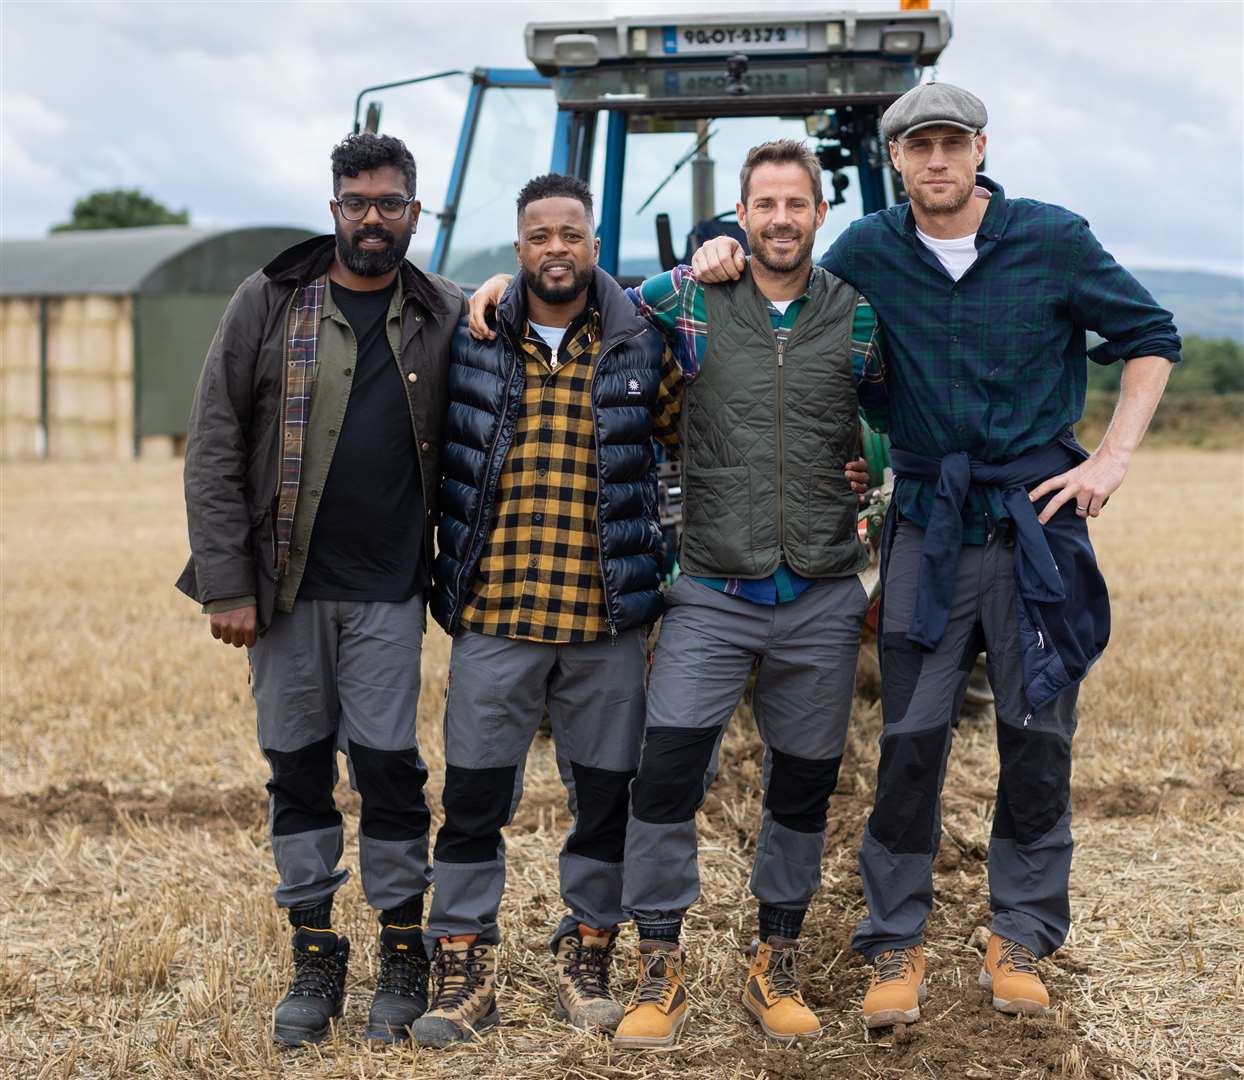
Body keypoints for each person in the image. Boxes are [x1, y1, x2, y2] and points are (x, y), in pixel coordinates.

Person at [690, 83, 1182, 1027]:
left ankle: (1022, 937)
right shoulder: (869, 248)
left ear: (980, 148)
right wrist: (720, 242)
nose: (937, 161)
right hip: (926, 528)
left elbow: (1151, 335)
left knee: (1038, 744)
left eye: (953, 143)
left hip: (1038, 526)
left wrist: (1112, 457)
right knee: (911, 748)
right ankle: (894, 944)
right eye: (919, 147)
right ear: (898, 159)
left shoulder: (1053, 239)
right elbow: (784, 276)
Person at [468, 140, 882, 1047]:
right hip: (710, 591)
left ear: (820, 217)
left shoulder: (856, 315)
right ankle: (660, 963)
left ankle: (776, 961)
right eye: (763, 205)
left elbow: (893, 415)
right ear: (741, 216)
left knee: (802, 789)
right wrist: (501, 284)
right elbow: (579, 295)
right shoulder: (686, 300)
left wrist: (872, 468)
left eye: (796, 205)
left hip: (818, 592)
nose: (780, 220)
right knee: (664, 782)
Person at [178, 133, 465, 1046]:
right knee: (298, 768)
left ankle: (402, 949)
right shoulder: (267, 301)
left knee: (388, 772)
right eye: (356, 202)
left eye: (389, 203)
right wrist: (228, 582)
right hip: (284, 593)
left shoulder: (448, 312)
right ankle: (314, 950)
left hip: (388, 590)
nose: (372, 218)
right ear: (333, 206)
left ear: (415, 213)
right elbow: (215, 442)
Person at [408, 173, 682, 1048]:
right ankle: (463, 954)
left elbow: (700, 441)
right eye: (539, 236)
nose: (555, 248)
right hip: (495, 614)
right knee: (475, 797)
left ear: (594, 245)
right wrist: (479, 293)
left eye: (571, 233)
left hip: (607, 624)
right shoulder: (471, 333)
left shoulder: (646, 344)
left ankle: (588, 944)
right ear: (518, 246)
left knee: (604, 800)